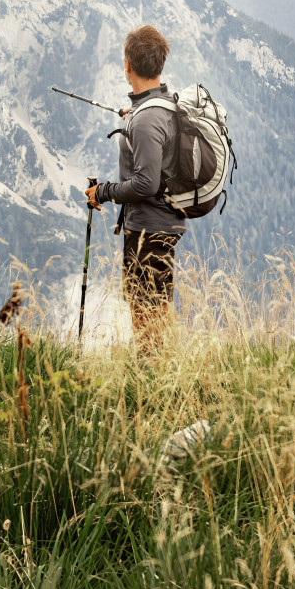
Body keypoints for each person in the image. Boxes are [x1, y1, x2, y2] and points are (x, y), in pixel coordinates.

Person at [85, 25, 183, 350]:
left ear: (128, 65)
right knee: (160, 305)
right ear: (161, 63)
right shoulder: (165, 105)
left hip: (147, 229)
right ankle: (173, 366)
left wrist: (104, 192)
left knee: (145, 313)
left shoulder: (145, 119)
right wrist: (137, 119)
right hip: (166, 221)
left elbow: (145, 183)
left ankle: (151, 373)